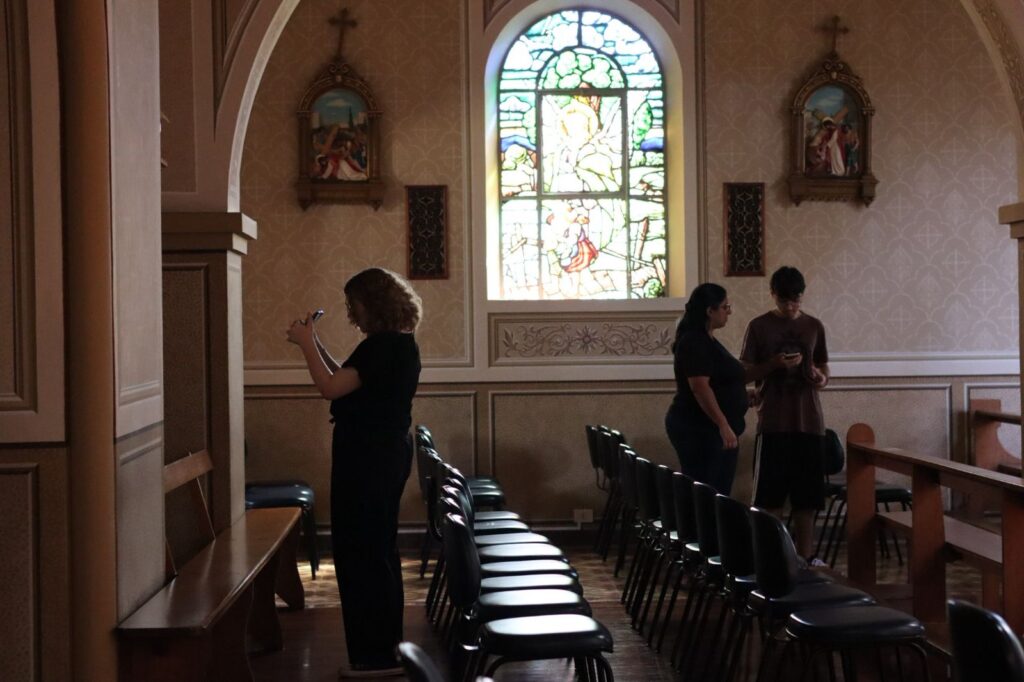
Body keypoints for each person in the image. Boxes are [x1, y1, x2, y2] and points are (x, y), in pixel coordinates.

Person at [286, 267, 422, 678]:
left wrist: (305, 344)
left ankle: (375, 656)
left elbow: (329, 388)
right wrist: (315, 343)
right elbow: (343, 379)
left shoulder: (382, 346)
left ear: (373, 304)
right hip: (378, 456)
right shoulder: (393, 344)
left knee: (362, 555)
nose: (352, 314)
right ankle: (385, 650)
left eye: (355, 305)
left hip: (368, 460)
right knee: (375, 553)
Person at [740, 266, 830, 561]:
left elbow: (824, 368)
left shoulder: (814, 326)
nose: (790, 307)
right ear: (772, 295)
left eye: (796, 300)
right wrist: (774, 365)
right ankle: (773, 559)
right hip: (774, 421)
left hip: (809, 422)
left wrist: (820, 377)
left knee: (807, 500)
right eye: (784, 301)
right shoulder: (758, 326)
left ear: (802, 296)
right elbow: (744, 372)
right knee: (770, 498)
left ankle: (806, 559)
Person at [664, 284, 750, 494]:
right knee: (708, 491)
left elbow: (716, 381)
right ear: (710, 311)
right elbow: (700, 387)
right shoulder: (694, 341)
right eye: (725, 307)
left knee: (717, 490)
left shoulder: (706, 338)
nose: (729, 312)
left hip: (707, 427)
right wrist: (723, 424)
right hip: (699, 428)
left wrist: (741, 395)